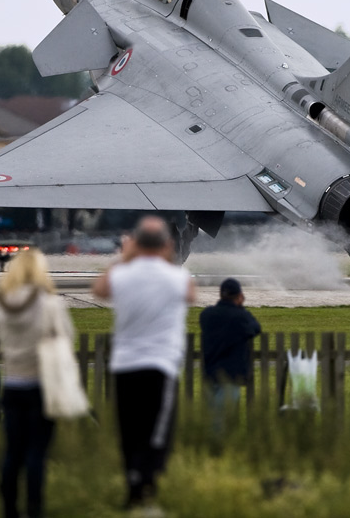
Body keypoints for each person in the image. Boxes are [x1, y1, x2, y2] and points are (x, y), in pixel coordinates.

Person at [92, 216, 196, 511]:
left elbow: (99, 289)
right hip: (160, 367)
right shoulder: (176, 277)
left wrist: (125, 257)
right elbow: (191, 295)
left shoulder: (123, 275)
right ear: (167, 244)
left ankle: (134, 484)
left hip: (125, 367)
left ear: (135, 243)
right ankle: (146, 487)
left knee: (130, 429)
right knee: (157, 431)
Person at [0, 249, 73, 518]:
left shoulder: (2, 304)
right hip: (40, 385)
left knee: (12, 453)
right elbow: (65, 337)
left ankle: (8, 509)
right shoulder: (48, 303)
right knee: (36, 453)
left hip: (12, 385)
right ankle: (34, 509)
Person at [200, 278, 262, 428]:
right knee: (221, 420)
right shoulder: (240, 317)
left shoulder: (207, 315)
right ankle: (218, 449)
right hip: (230, 375)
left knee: (213, 415)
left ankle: (211, 446)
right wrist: (240, 308)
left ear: (221, 294)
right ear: (239, 296)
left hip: (210, 372)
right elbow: (255, 328)